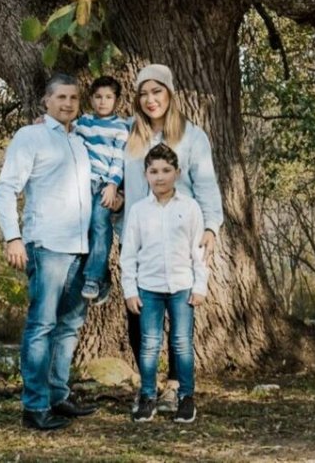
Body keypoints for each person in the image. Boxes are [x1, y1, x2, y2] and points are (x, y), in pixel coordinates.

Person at [0, 73, 100, 431]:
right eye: (61, 98)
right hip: (47, 245)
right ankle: (34, 407)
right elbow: (6, 189)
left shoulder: (81, 140)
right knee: (41, 325)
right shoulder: (31, 136)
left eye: (73, 98)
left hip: (80, 247)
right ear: (46, 101)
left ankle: (58, 395)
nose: (68, 103)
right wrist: (13, 237)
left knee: (69, 325)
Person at [121, 63, 222, 413]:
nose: (150, 100)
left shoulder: (192, 136)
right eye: (144, 94)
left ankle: (177, 386)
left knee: (181, 322)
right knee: (138, 315)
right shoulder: (129, 136)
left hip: (182, 234)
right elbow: (97, 145)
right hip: (140, 233)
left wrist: (211, 226)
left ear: (170, 94)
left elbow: (207, 184)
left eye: (157, 92)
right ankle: (147, 385)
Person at [120, 142, 208, 423]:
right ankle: (147, 396)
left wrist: (200, 285)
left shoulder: (190, 207)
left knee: (182, 342)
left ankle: (186, 397)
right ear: (146, 174)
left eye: (166, 170)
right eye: (154, 171)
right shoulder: (138, 211)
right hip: (149, 287)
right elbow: (129, 253)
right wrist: (130, 290)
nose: (160, 177)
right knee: (149, 344)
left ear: (177, 173)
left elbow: (199, 251)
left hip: (182, 286)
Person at [75, 75, 130, 301]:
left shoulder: (120, 128)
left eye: (108, 97)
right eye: (98, 97)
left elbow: (119, 160)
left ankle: (93, 278)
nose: (102, 102)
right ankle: (104, 277)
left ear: (116, 100)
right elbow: (65, 133)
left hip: (104, 186)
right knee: (83, 228)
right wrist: (43, 119)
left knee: (99, 223)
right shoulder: (84, 122)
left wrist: (112, 185)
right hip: (80, 184)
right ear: (90, 99)